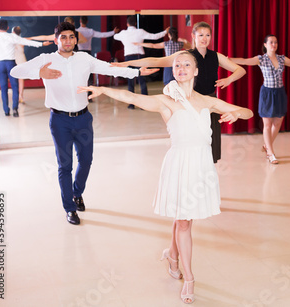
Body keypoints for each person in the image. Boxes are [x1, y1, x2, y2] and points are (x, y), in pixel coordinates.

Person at [79, 51, 253, 304]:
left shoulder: (207, 101)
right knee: (183, 221)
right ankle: (190, 277)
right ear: (173, 70)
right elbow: (132, 96)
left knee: (184, 216)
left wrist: (236, 114)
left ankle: (172, 255)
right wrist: (104, 90)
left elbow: (247, 112)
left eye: (187, 64)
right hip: (179, 164)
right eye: (177, 64)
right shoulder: (166, 101)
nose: (181, 67)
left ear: (196, 71)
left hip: (201, 165)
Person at [10, 22, 157, 225]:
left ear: (76, 40)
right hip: (59, 120)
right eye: (63, 37)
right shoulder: (46, 60)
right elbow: (15, 71)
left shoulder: (84, 59)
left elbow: (111, 69)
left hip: (83, 118)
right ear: (56, 40)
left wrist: (138, 72)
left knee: (86, 161)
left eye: (71, 37)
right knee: (65, 166)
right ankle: (69, 208)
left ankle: (77, 193)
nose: (68, 40)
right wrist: (39, 74)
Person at [112, 21, 246, 163]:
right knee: (191, 147)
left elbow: (240, 70)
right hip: (190, 104)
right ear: (193, 36)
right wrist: (126, 63)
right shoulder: (185, 55)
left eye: (207, 35)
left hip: (210, 105)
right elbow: (157, 61)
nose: (204, 38)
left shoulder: (216, 56)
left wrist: (228, 80)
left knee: (209, 149)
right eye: (201, 35)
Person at [230, 35, 290, 164]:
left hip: (280, 93)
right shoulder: (261, 59)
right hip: (267, 93)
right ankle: (271, 153)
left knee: (277, 123)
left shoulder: (282, 58)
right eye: (271, 42)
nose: (274, 44)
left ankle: (267, 146)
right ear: (265, 45)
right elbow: (245, 61)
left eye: (276, 42)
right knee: (267, 124)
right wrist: (229, 59)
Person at [0, 19, 51, 117]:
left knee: (3, 88)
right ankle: (15, 109)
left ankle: (6, 110)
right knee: (15, 86)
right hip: (10, 63)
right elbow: (26, 42)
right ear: (7, 27)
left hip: (0, 64)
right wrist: (41, 44)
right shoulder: (12, 37)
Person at [113, 15, 168, 108]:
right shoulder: (140, 32)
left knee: (130, 80)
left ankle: (131, 104)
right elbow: (154, 36)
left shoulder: (123, 33)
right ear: (135, 23)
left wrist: (116, 33)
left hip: (129, 58)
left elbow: (115, 36)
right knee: (142, 79)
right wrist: (165, 32)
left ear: (127, 24)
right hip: (140, 57)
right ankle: (145, 103)